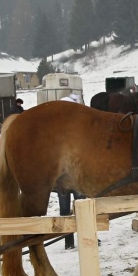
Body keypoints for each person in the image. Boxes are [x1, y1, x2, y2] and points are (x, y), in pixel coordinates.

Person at [58, 91, 82, 249]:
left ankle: (81, 238)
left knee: (81, 209)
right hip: (68, 177)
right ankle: (69, 241)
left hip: (75, 176)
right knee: (68, 210)